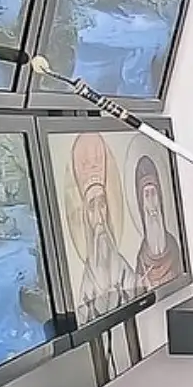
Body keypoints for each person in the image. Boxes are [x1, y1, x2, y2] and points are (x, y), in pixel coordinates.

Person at [70, 133, 139, 322]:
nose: (100, 216)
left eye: (103, 204)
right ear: (84, 216)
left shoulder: (124, 268)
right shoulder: (86, 284)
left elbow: (137, 287)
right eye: (92, 207)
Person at [132, 155, 182, 289]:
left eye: (153, 194)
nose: (152, 203)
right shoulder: (142, 259)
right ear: (141, 203)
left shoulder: (173, 247)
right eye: (146, 196)